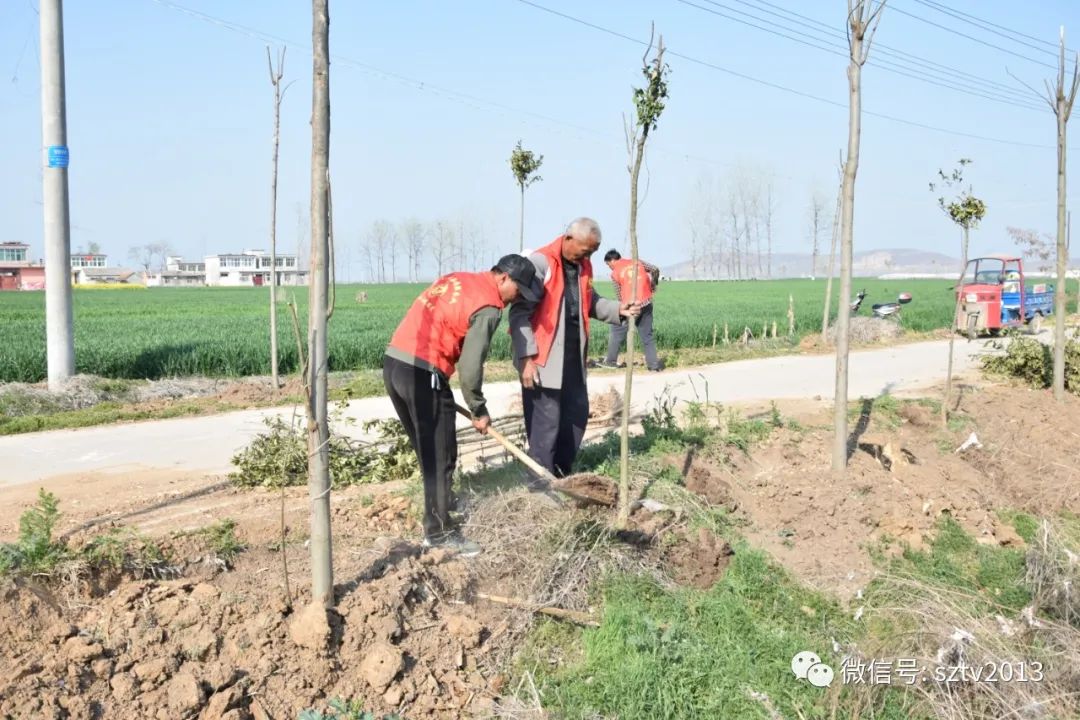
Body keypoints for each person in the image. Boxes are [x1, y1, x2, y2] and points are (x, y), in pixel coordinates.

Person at [383, 254, 539, 556]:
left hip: (395, 364)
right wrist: (478, 409)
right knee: (441, 456)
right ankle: (439, 532)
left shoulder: (458, 278)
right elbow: (470, 368)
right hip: (424, 372)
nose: (517, 298)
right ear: (504, 278)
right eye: (518, 291)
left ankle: (440, 504)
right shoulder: (489, 306)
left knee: (428, 452)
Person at [510, 218, 640, 478]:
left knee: (576, 414)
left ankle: (561, 474)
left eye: (592, 252)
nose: (588, 257)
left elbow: (589, 301)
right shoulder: (541, 263)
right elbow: (519, 313)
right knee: (545, 423)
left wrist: (618, 309)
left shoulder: (583, 266)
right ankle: (539, 482)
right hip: (543, 358)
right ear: (568, 239)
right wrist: (525, 358)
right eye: (585, 251)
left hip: (573, 356)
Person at [597, 249, 664, 372]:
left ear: (612, 260)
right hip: (646, 303)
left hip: (631, 306)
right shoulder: (637, 261)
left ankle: (610, 361)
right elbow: (655, 269)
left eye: (608, 264)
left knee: (616, 330)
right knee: (647, 335)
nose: (609, 267)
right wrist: (653, 285)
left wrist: (623, 309)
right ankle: (654, 365)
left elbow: (619, 296)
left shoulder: (615, 273)